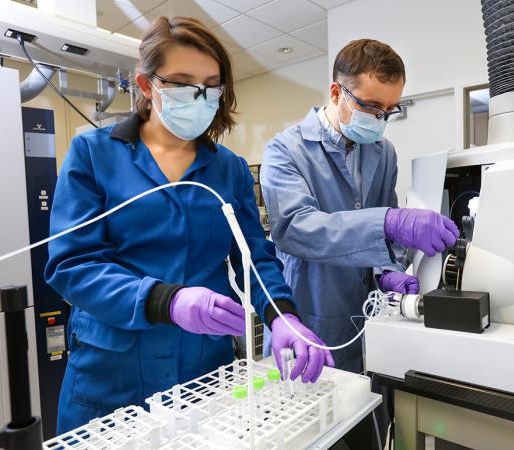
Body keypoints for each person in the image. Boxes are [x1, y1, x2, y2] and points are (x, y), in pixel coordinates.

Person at [45, 16, 332, 434]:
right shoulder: (93, 154)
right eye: (182, 83)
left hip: (201, 369)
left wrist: (282, 315)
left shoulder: (228, 169)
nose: (199, 96)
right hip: (111, 371)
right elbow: (72, 265)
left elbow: (255, 259)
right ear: (147, 87)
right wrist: (166, 301)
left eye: (211, 85)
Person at [260, 39, 459, 448]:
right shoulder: (286, 150)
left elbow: (387, 229)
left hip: (366, 322)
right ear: (337, 93)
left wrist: (389, 272)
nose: (381, 119)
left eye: (390, 110)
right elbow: (297, 228)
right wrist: (390, 221)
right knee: (308, 436)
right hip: (308, 318)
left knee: (367, 431)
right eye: (371, 107)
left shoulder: (383, 152)